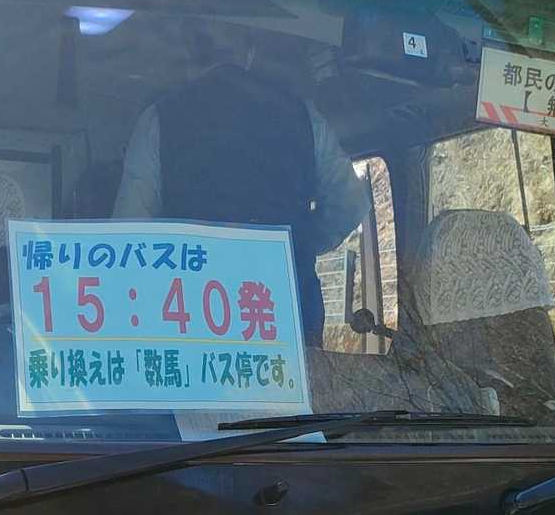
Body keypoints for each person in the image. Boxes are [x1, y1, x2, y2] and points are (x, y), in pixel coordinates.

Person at [113, 21, 368, 340]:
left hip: (189, 318)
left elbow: (131, 233)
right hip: (286, 313)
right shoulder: (303, 116)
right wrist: (298, 245)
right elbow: (350, 204)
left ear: (188, 55)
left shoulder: (160, 119)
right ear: (250, 52)